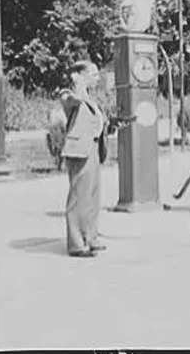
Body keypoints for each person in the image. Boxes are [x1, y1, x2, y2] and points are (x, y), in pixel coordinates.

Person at [58, 61, 127, 258]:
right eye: (93, 74)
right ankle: (76, 244)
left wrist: (112, 125)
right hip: (79, 150)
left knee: (93, 196)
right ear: (78, 75)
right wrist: (77, 84)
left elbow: (95, 124)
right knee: (79, 197)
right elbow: (72, 101)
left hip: (94, 149)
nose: (97, 78)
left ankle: (90, 237)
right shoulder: (68, 94)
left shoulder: (91, 99)